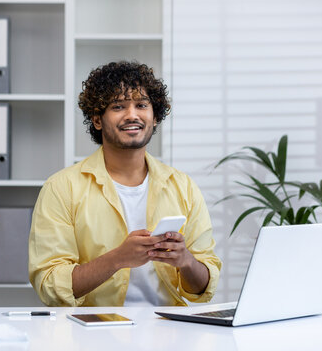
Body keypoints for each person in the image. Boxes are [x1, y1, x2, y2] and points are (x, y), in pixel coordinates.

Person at [28, 61, 221, 306]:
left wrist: (186, 261)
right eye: (118, 106)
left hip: (169, 332)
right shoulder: (61, 188)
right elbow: (49, 285)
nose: (132, 115)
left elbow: (205, 287)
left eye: (141, 105)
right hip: (93, 333)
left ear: (154, 117)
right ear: (97, 120)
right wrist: (117, 259)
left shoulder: (183, 186)